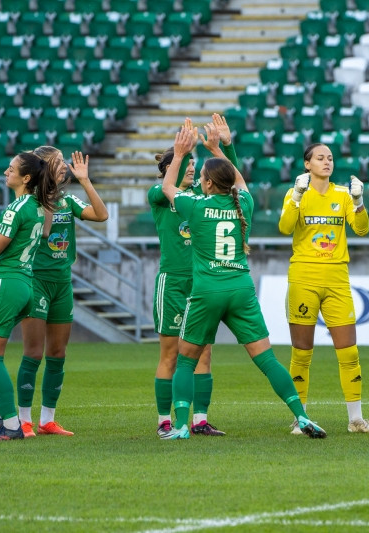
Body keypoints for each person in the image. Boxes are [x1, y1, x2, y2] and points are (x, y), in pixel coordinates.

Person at [158, 122, 327, 440]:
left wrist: (179, 154)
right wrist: (220, 148)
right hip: (240, 289)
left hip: (207, 291)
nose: (201, 180)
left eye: (204, 176)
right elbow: (239, 180)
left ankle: (180, 426)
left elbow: (168, 187)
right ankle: (302, 416)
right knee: (267, 359)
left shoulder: (196, 206)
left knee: (186, 361)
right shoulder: (244, 204)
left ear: (208, 183)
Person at [278, 143, 369, 434]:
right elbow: (285, 227)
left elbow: (362, 229)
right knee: (302, 353)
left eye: (330, 158)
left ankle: (356, 420)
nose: (327, 162)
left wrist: (359, 202)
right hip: (304, 277)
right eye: (320, 158)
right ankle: (300, 419)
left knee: (349, 352)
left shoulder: (343, 194)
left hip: (337, 278)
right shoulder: (295, 193)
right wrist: (296, 196)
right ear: (307, 164)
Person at [149, 115, 239, 438]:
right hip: (173, 282)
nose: (191, 167)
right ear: (168, 169)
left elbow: (232, 181)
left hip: (202, 284)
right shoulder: (159, 196)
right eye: (185, 163)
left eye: (192, 163)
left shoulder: (203, 197)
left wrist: (227, 146)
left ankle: (200, 420)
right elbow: (165, 188)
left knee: (204, 353)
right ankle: (164, 420)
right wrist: (181, 152)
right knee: (171, 353)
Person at [15, 147, 108, 438]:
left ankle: (48, 420)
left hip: (62, 282)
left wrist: (85, 181)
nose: (65, 166)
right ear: (44, 168)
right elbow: (43, 231)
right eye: (58, 162)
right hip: (36, 280)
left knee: (57, 353)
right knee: (33, 353)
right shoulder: (30, 202)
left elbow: (101, 215)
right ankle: (23, 421)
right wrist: (45, 194)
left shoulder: (68, 201)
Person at [0, 151, 60, 440]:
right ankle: (5, 415)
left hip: (6, 282)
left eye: (11, 169)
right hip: (24, 284)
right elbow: (5, 239)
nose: (6, 172)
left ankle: (9, 424)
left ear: (26, 178)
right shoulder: (35, 206)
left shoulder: (17, 207)